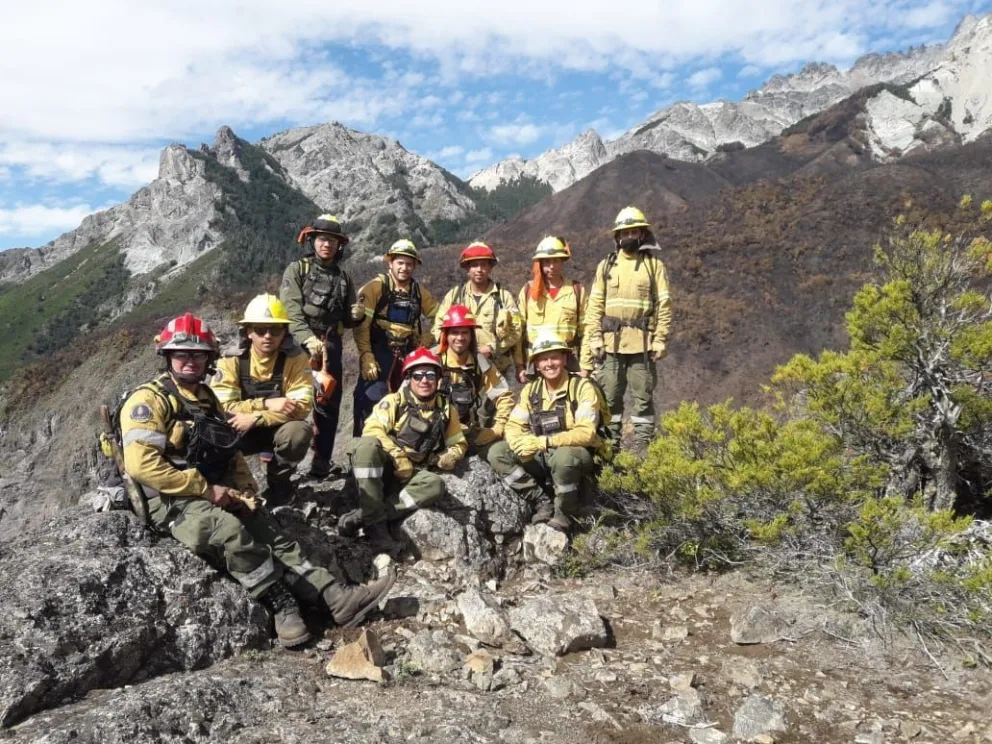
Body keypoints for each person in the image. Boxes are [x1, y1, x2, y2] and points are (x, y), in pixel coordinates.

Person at [119, 312, 394, 647]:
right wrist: (206, 490)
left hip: (210, 488)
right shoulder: (147, 401)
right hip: (170, 498)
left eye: (197, 354)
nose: (190, 361)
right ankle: (281, 605)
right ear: (167, 356)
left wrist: (246, 490)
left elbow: (230, 452)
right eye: (182, 354)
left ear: (209, 358)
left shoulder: (207, 399)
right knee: (229, 532)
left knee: (268, 528)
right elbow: (142, 465)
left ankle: (335, 596)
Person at [343, 347, 467, 541]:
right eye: (417, 375)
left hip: (413, 473)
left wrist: (451, 456)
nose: (424, 380)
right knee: (366, 446)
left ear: (438, 378)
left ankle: (370, 515)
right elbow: (372, 429)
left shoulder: (447, 410)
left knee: (434, 485)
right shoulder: (394, 401)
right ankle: (376, 528)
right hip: (386, 466)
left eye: (430, 374)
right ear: (409, 378)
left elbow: (458, 443)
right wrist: (397, 456)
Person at [488, 334, 606, 533]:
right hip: (543, 455)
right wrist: (519, 443)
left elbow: (586, 433)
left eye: (554, 358)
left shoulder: (581, 387)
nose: (549, 364)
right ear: (536, 364)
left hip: (577, 458)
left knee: (564, 457)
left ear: (565, 359)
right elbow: (514, 424)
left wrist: (543, 441)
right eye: (543, 359)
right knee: (498, 452)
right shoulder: (531, 390)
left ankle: (564, 512)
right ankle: (541, 500)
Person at [581, 206, 671, 449]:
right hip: (611, 344)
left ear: (642, 234)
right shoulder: (607, 266)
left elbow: (664, 305)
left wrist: (660, 339)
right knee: (610, 400)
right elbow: (594, 306)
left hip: (642, 345)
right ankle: (612, 450)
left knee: (643, 399)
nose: (628, 236)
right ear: (617, 236)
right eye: (624, 232)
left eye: (634, 231)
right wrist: (594, 338)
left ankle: (644, 449)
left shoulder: (654, 266)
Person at [280, 214, 363, 478]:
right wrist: (306, 337)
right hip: (297, 347)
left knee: (329, 403)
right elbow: (290, 310)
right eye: (322, 239)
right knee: (294, 402)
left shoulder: (343, 276)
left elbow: (348, 319)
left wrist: (356, 314)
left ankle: (321, 462)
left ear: (340, 245)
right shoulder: (297, 270)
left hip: (332, 345)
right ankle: (283, 468)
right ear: (312, 241)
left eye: (333, 240)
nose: (327, 244)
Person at [210, 294, 313, 505]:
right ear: (248, 332)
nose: (268, 336)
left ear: (284, 332)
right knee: (214, 433)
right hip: (238, 429)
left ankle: (279, 483)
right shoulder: (231, 359)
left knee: (298, 432)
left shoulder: (296, 359)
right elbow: (223, 407)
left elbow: (301, 407)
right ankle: (228, 486)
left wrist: (257, 418)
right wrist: (266, 404)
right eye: (260, 330)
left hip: (276, 428)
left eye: (275, 330)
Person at [353, 239, 439, 436]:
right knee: (370, 399)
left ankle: (399, 452)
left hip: (408, 352)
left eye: (409, 264)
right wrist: (366, 355)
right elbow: (361, 326)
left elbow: (441, 315)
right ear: (390, 262)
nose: (404, 268)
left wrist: (429, 337)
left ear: (415, 266)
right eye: (400, 262)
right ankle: (361, 451)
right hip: (378, 351)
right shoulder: (375, 287)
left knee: (406, 402)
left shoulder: (419, 292)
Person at [432, 241, 521, 378]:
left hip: (496, 368)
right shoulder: (454, 296)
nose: (479, 269)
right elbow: (438, 326)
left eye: (484, 264)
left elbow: (516, 330)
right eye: (474, 265)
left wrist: (492, 348)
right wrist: (454, 349)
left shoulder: (503, 297)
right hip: (459, 368)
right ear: (467, 269)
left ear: (490, 268)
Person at [434, 303, 513, 456]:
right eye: (455, 333)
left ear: (471, 336)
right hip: (433, 431)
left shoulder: (480, 363)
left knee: (501, 452)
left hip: (466, 430)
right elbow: (406, 399)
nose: (460, 338)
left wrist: (497, 428)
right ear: (446, 335)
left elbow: (504, 395)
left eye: (465, 333)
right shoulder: (431, 361)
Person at [512, 235, 589, 383]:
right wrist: (519, 365)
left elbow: (587, 330)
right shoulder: (529, 290)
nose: (552, 266)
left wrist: (585, 365)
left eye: (556, 261)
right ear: (540, 263)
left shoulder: (576, 290)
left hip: (568, 362)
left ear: (563, 262)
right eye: (547, 261)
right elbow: (518, 332)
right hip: (536, 363)